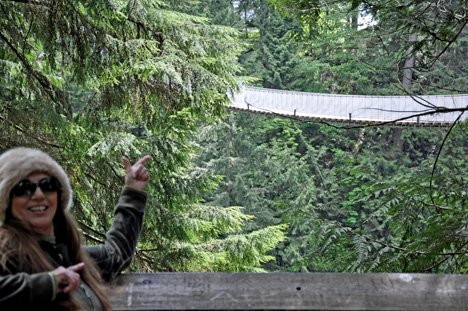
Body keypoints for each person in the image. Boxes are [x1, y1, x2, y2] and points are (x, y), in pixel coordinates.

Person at [0, 147, 151, 310]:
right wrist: (48, 283)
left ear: (59, 194)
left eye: (48, 185)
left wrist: (132, 191)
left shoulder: (70, 255)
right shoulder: (7, 252)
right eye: (23, 188)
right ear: (7, 200)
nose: (38, 195)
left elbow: (116, 255)